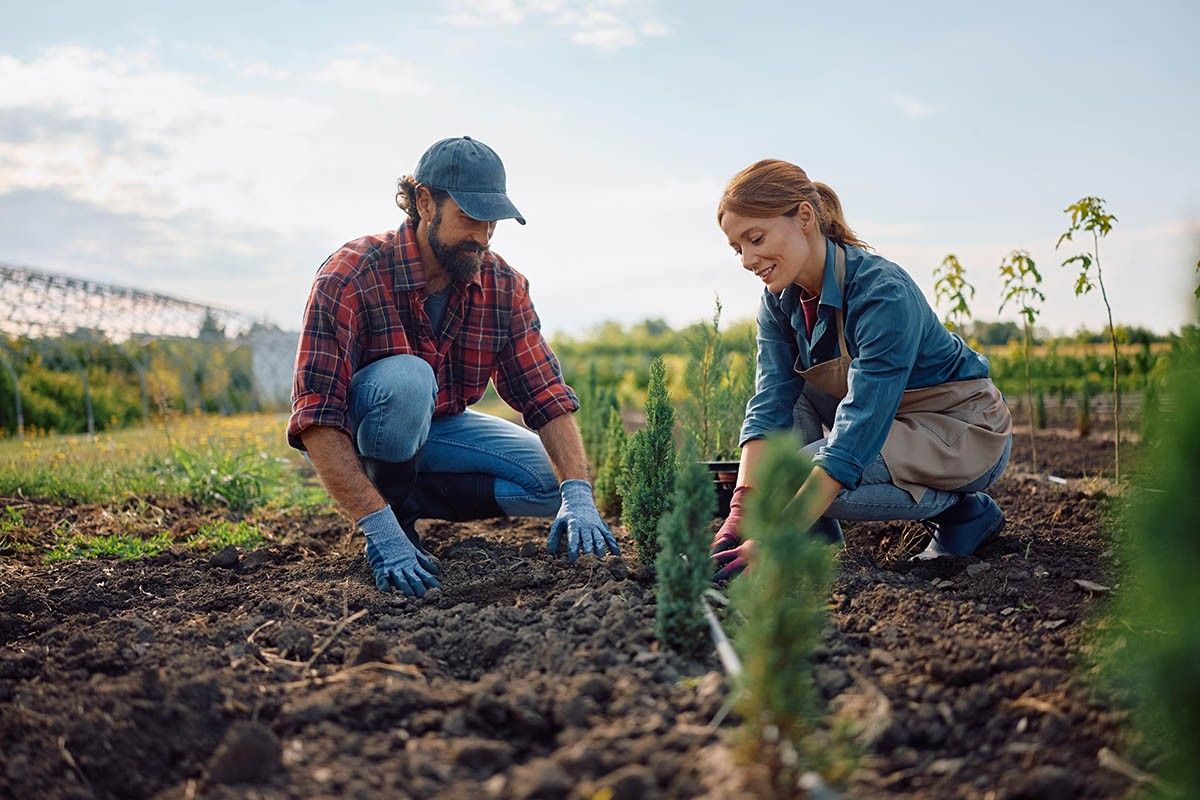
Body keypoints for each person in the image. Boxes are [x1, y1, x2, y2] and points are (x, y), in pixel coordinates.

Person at [288, 136, 620, 597]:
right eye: (469, 218)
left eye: (491, 223)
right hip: (365, 430)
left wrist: (579, 494)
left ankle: (400, 494)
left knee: (549, 482)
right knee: (408, 379)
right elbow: (317, 417)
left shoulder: (502, 284)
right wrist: (378, 528)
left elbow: (544, 392)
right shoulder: (351, 274)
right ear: (425, 202)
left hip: (441, 427)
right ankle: (391, 521)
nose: (482, 236)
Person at [710, 159, 1012, 581]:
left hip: (958, 430)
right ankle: (816, 543)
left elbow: (855, 436)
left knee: (790, 477)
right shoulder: (780, 300)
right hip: (886, 425)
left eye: (755, 238)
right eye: (736, 248)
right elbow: (769, 403)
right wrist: (741, 508)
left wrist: (776, 536)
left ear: (804, 217)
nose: (746, 259)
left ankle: (965, 510)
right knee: (785, 409)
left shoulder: (881, 293)